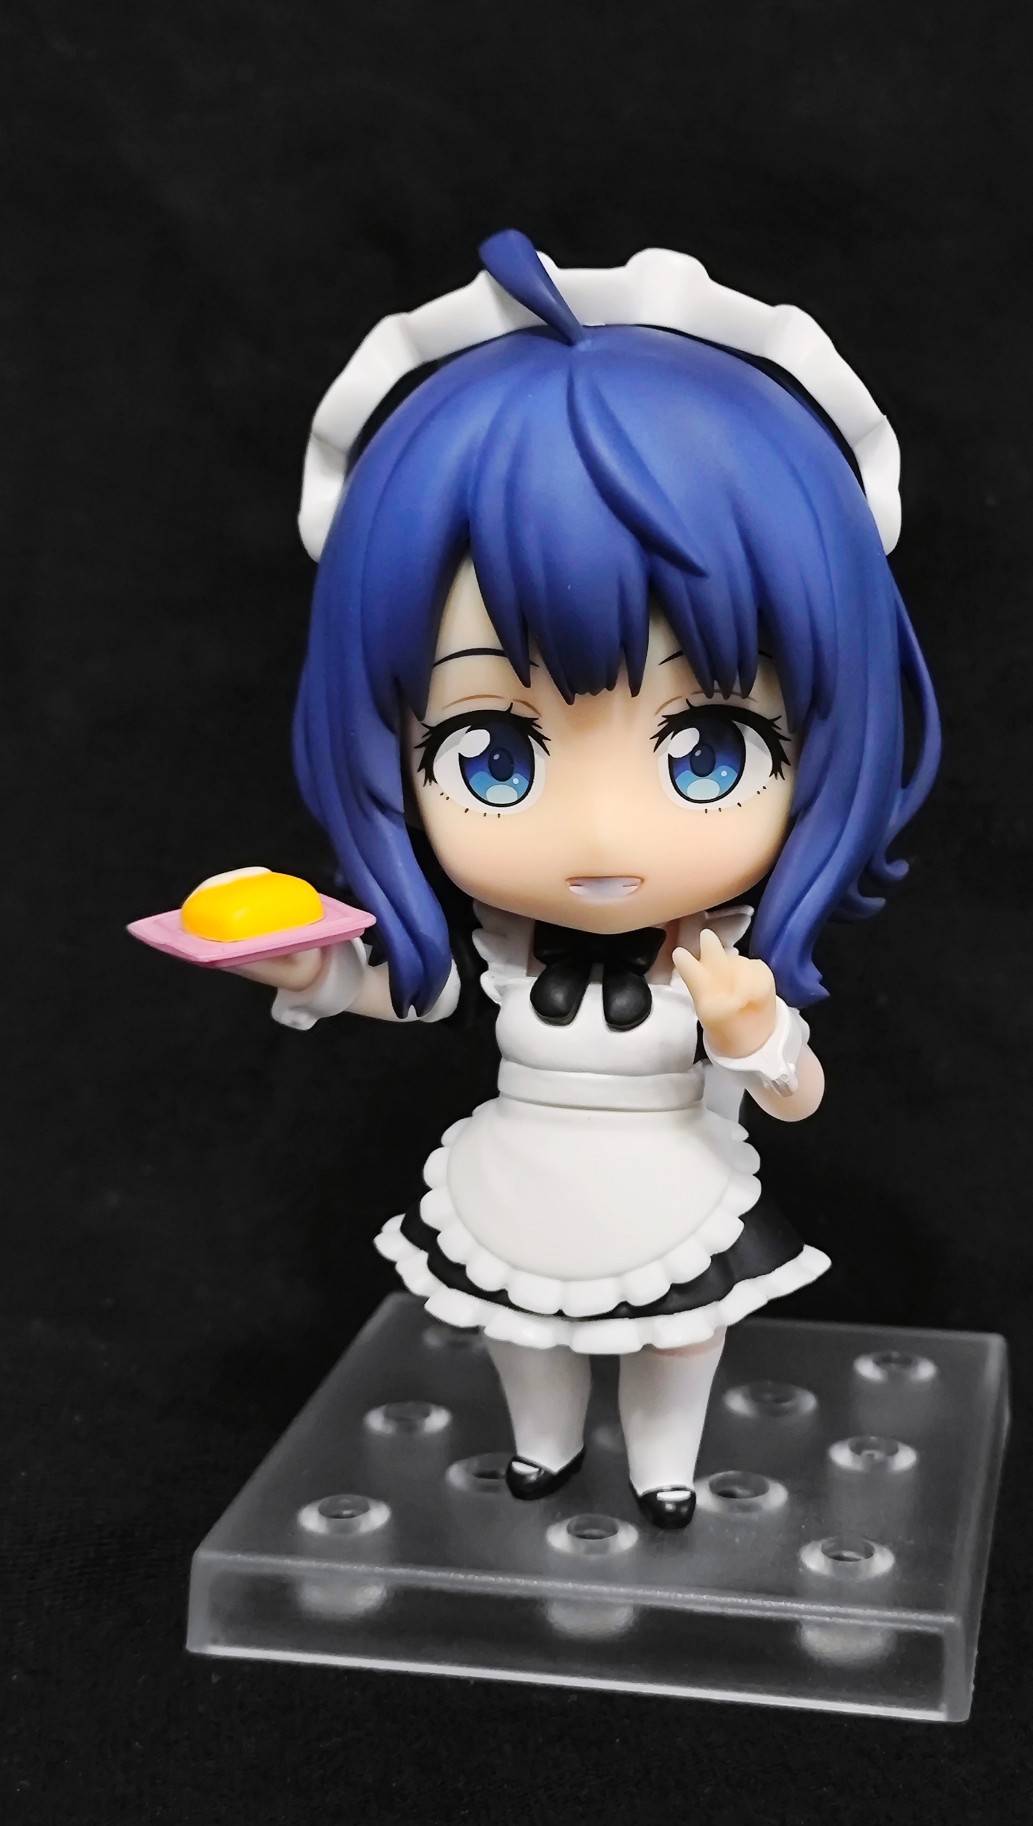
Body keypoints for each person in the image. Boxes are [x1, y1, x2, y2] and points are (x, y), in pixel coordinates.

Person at [213, 230, 940, 1528]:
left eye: (708, 750)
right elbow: (416, 992)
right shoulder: (502, 946)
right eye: (491, 755)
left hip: (669, 1172)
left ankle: (664, 1465)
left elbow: (798, 1092)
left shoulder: (713, 959)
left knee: (683, 1327)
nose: (602, 831)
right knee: (515, 1319)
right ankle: (542, 1447)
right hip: (524, 1167)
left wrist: (752, 1033)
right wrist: (312, 968)